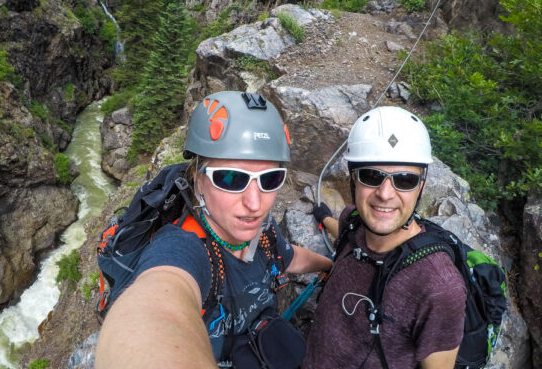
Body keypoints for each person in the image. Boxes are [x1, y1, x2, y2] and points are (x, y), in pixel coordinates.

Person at [96, 91, 332, 368]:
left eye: (270, 179)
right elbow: (153, 309)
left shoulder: (263, 234)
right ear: (198, 182)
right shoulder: (182, 248)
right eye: (231, 179)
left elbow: (288, 256)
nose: (254, 204)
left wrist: (331, 265)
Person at [303, 106, 467, 369]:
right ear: (353, 180)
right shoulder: (354, 223)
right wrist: (323, 217)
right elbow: (341, 227)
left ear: (421, 186)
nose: (385, 193)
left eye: (404, 180)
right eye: (372, 176)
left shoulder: (439, 287)